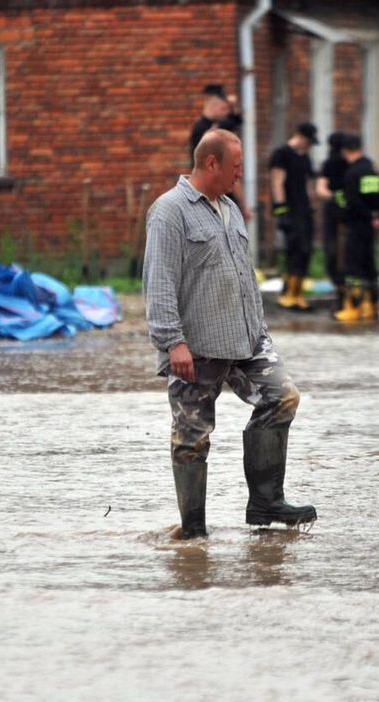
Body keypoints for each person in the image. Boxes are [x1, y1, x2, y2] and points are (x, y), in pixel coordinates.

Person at [143, 128, 317, 539]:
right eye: (236, 167)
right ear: (211, 163)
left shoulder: (231, 209)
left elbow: (245, 276)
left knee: (283, 396)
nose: (241, 175)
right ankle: (194, 532)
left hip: (245, 340)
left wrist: (260, 330)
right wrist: (173, 343)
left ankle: (265, 503)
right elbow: (159, 282)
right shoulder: (170, 212)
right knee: (192, 437)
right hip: (196, 346)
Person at [334, 134, 379, 324]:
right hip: (372, 224)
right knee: (369, 264)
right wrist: (377, 216)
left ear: (345, 151)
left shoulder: (352, 173)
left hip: (356, 223)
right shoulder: (372, 170)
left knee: (353, 265)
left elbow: (353, 202)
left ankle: (354, 308)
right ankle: (372, 306)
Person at [270, 122, 320, 310]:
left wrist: (312, 202)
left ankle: (298, 293)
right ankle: (288, 293)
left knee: (305, 251)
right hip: (290, 209)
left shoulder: (305, 157)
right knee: (293, 249)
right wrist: (281, 209)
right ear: (300, 137)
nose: (309, 146)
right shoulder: (282, 154)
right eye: (308, 142)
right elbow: (277, 181)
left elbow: (308, 183)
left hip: (304, 210)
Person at [315, 131, 349, 303]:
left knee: (334, 251)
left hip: (334, 213)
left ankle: (341, 289)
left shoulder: (328, 164)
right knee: (342, 251)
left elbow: (321, 189)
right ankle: (346, 291)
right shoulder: (350, 163)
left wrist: (333, 197)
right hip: (345, 214)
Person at [189, 84, 242, 154]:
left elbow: (238, 121)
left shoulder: (221, 123)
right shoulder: (200, 127)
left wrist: (234, 106)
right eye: (223, 109)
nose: (226, 113)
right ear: (213, 106)